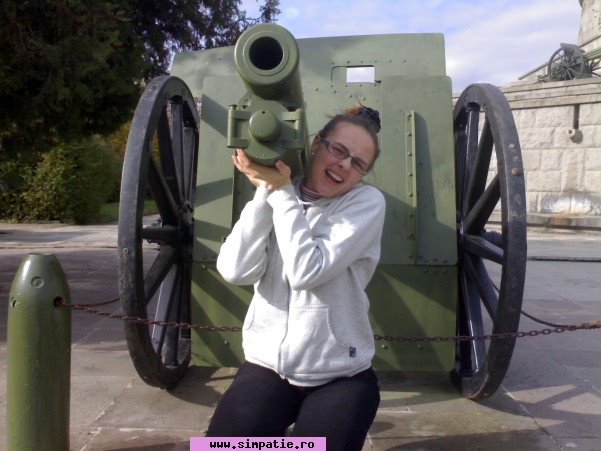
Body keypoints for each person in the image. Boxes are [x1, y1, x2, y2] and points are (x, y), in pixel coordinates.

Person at [208, 105, 386, 451]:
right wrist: (267, 191)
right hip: (267, 367)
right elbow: (235, 270)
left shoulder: (367, 202)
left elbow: (307, 271)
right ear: (317, 144)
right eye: (338, 150)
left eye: (358, 164)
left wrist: (282, 193)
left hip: (340, 373)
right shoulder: (280, 194)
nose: (345, 165)